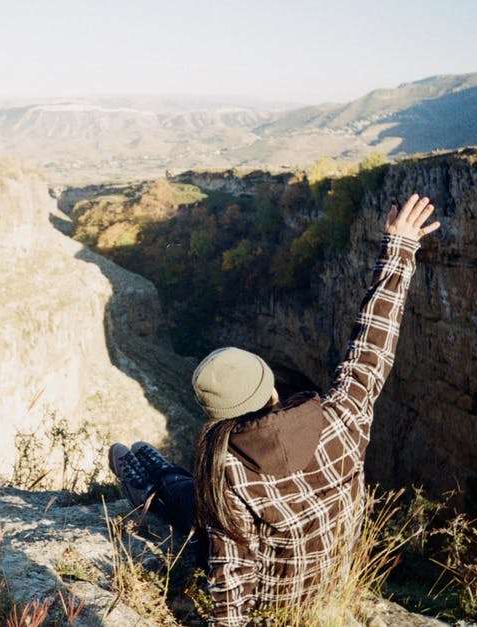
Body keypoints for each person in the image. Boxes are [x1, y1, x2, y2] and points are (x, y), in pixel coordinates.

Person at [109, 194, 440, 625]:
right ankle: (159, 474)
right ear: (271, 388)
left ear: (219, 416)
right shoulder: (341, 417)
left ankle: (154, 487)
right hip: (331, 581)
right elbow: (372, 343)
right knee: (204, 500)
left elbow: (231, 575)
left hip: (275, 606)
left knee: (194, 503)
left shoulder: (229, 471)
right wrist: (398, 248)